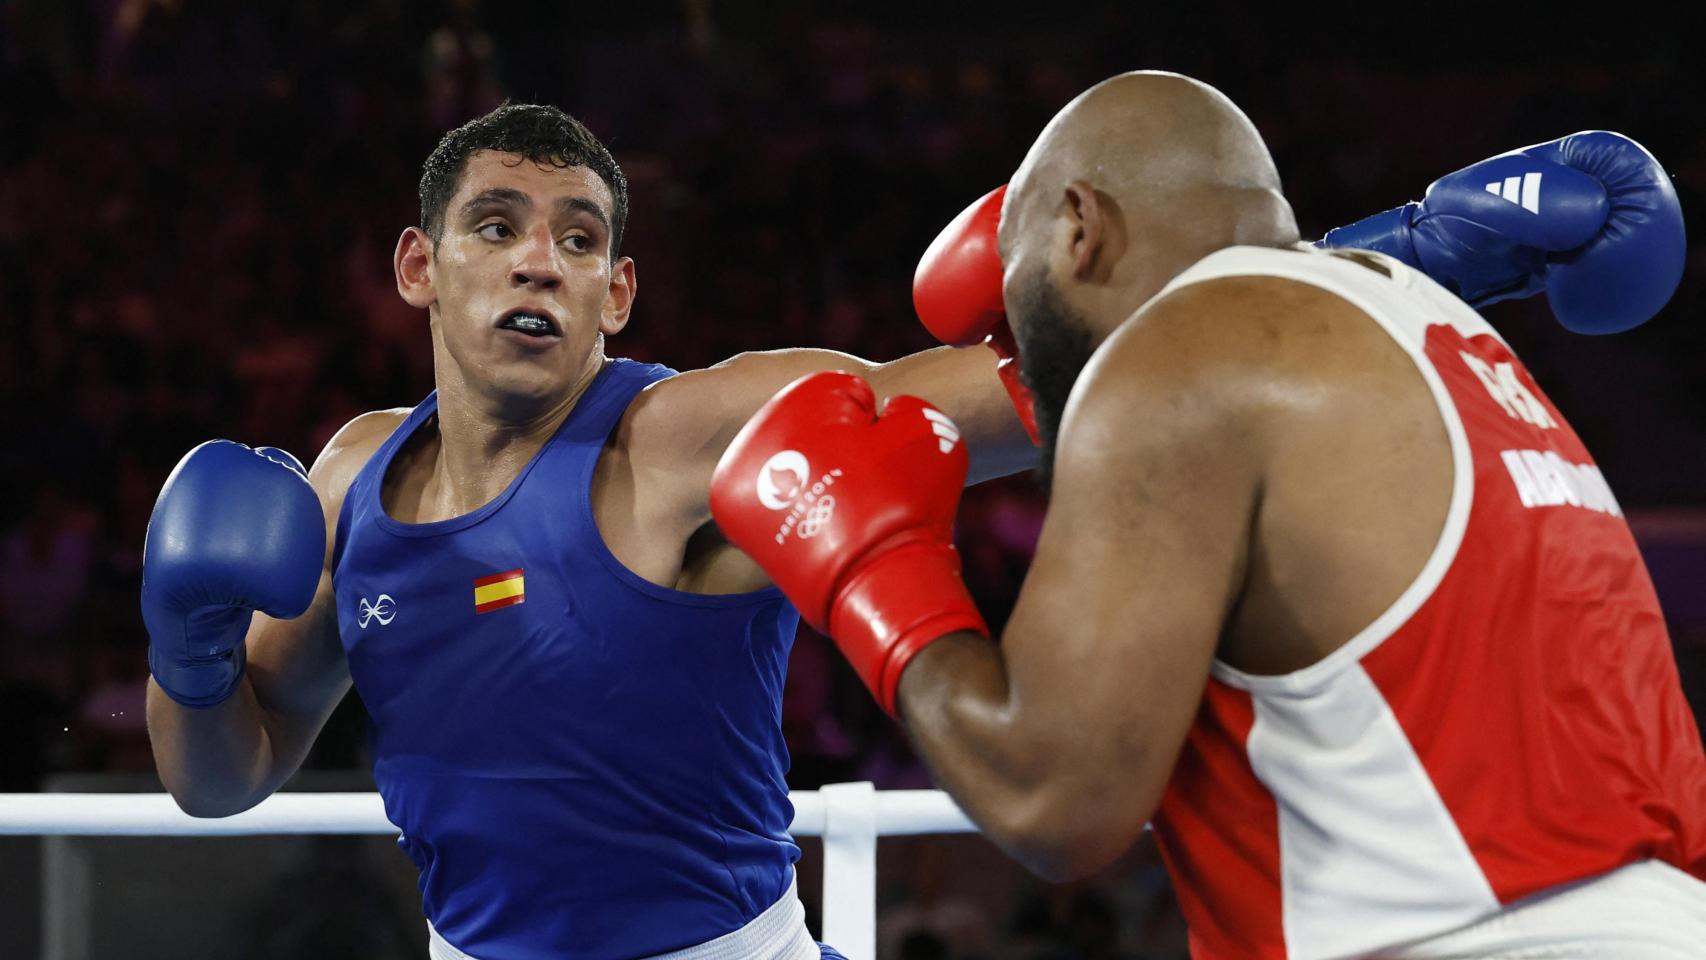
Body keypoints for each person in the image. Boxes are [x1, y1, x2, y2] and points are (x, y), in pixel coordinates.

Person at [141, 101, 1575, 959]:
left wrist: (1395, 252)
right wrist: (188, 658)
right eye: (496, 225)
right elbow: (223, 779)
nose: (537, 260)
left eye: (578, 240)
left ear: (619, 293)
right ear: (419, 268)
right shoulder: (340, 484)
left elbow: (1038, 384)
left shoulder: (683, 439)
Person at [710, 72, 1706, 958]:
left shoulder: (1178, 349)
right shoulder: (1421, 314)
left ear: (1078, 227)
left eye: (1018, 319)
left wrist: (870, 573)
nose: (1023, 368)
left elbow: (1049, 798)